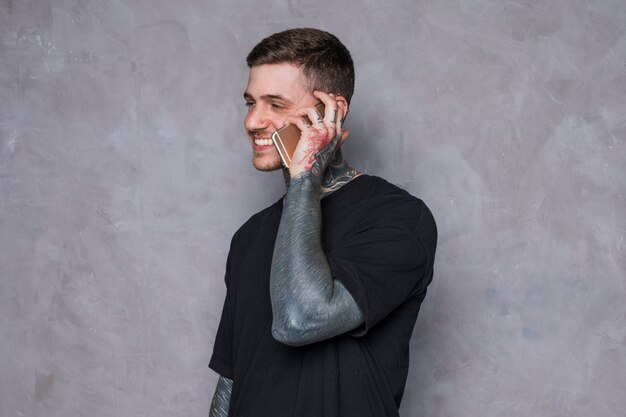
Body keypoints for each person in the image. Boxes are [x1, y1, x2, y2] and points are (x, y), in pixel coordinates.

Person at [208, 28, 437, 417]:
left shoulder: (399, 218)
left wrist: (305, 178)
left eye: (274, 104)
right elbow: (232, 381)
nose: (252, 121)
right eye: (250, 103)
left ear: (330, 111)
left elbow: (300, 320)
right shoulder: (248, 236)